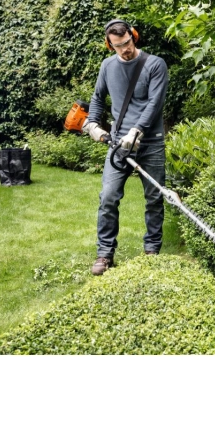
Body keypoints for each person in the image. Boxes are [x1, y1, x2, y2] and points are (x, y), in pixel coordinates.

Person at [83, 20, 169, 275]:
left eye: (127, 43)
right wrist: (92, 123)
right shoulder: (107, 66)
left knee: (154, 198)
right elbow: (97, 98)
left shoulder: (155, 64)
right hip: (119, 144)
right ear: (110, 45)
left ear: (134, 37)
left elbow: (155, 103)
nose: (125, 50)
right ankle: (104, 254)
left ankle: (152, 251)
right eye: (118, 46)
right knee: (108, 197)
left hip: (150, 142)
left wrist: (137, 130)